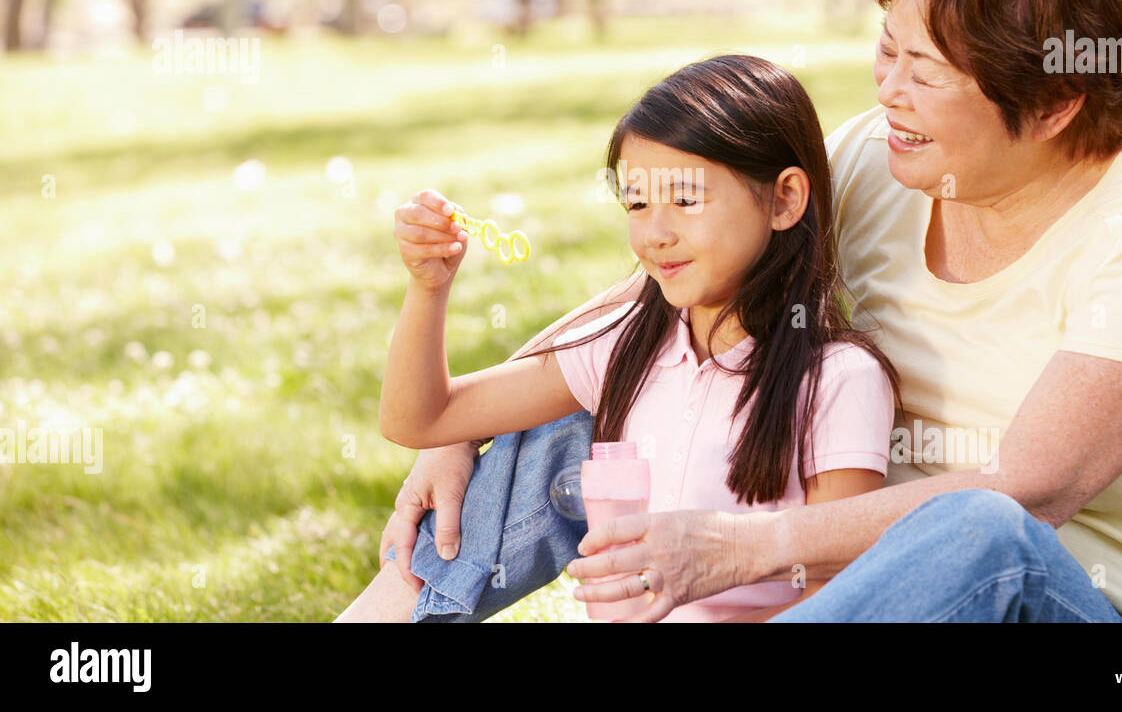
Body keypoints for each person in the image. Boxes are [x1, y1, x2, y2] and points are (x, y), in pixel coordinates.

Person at [341, 0, 1122, 624]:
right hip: (861, 568)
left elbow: (1035, 491)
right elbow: (661, 302)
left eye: (927, 72)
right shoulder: (887, 154)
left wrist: (736, 547)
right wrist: (464, 423)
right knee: (611, 400)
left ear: (1056, 102)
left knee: (983, 529)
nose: (888, 91)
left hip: (1086, 609)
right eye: (887, 51)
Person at [338, 55, 903, 622]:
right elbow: (419, 420)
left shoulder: (839, 378)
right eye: (636, 203)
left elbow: (834, 602)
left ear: (783, 200)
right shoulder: (628, 347)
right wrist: (428, 288)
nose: (655, 233)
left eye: (685, 200)